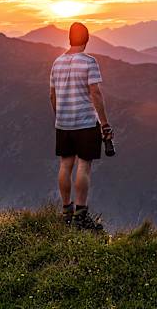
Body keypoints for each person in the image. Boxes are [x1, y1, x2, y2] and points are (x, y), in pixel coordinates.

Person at [49, 22, 112, 230]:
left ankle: (66, 211)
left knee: (65, 165)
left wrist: (59, 116)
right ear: (86, 40)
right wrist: (104, 123)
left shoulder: (56, 63)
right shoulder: (89, 62)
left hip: (63, 123)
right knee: (84, 166)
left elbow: (52, 95)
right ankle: (81, 215)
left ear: (69, 39)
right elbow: (95, 93)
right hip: (85, 122)